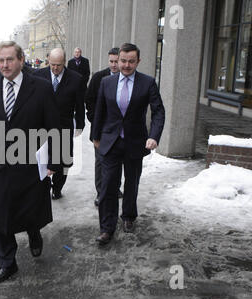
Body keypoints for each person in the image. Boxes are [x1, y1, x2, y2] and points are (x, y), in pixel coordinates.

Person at [0, 41, 61, 284]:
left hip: (31, 166)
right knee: (0, 217)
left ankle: (34, 233)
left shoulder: (41, 88)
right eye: (0, 60)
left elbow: (54, 125)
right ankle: (7, 263)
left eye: (10, 59)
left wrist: (56, 159)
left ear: (21, 60)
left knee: (31, 210)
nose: (4, 65)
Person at [92, 43, 165, 245]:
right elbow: (100, 111)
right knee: (108, 186)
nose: (126, 65)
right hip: (110, 142)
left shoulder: (147, 83)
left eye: (131, 61)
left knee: (131, 183)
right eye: (123, 60)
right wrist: (95, 137)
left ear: (138, 61)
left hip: (135, 142)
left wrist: (154, 136)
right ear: (118, 59)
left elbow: (158, 111)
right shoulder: (107, 82)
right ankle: (106, 228)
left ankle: (129, 217)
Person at [33, 48, 85, 200]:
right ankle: (43, 186)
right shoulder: (38, 76)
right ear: (48, 61)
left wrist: (80, 124)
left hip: (64, 125)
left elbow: (79, 104)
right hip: (41, 126)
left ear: (65, 63)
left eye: (59, 65)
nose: (55, 68)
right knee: (42, 157)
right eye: (52, 64)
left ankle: (57, 187)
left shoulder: (76, 79)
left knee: (63, 160)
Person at [85, 48, 123, 206]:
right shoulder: (99, 77)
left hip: (119, 130)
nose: (114, 65)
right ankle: (101, 192)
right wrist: (95, 119)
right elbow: (89, 99)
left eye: (116, 61)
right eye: (111, 61)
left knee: (117, 160)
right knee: (101, 161)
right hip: (101, 129)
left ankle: (115, 188)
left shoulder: (126, 78)